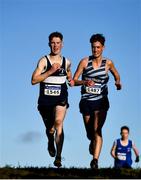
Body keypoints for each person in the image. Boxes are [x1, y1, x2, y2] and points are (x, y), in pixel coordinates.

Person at [72, 33, 122, 169]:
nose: (95, 50)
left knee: (97, 129)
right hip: (87, 101)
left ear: (103, 48)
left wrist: (118, 82)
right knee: (90, 133)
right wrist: (83, 81)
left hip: (101, 101)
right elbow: (73, 81)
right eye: (93, 47)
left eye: (98, 47)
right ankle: (92, 141)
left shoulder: (108, 63)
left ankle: (95, 161)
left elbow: (116, 75)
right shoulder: (84, 62)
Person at [31, 32, 73, 168]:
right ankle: (50, 140)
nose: (55, 46)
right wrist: (49, 71)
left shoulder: (67, 62)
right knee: (50, 129)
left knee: (59, 122)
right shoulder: (44, 61)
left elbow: (69, 76)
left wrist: (73, 80)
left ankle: (59, 157)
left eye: (58, 43)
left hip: (61, 99)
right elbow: (33, 80)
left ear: (62, 44)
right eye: (53, 43)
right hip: (45, 102)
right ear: (49, 44)